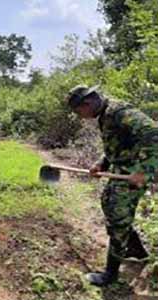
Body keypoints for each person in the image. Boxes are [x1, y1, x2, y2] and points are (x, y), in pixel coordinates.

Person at [67, 85, 156, 287]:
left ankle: (110, 275)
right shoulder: (105, 115)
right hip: (119, 170)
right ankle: (136, 252)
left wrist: (144, 170)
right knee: (108, 203)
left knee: (117, 217)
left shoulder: (119, 112)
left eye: (79, 111)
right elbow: (116, 145)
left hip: (132, 174)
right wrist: (101, 163)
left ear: (87, 104)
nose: (81, 116)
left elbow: (153, 134)